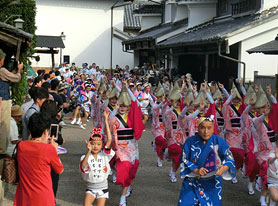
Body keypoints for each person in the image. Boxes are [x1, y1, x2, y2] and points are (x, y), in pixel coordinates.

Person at [178, 116, 236, 206]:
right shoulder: (190, 141)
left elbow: (229, 157)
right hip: (192, 181)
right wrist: (196, 170)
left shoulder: (219, 141)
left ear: (213, 128)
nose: (206, 131)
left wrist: (224, 168)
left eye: (209, 128)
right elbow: (183, 159)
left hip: (213, 183)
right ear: (198, 128)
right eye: (203, 127)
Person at [14, 112, 63, 206]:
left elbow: (32, 142)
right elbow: (59, 169)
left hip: (24, 195)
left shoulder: (21, 146)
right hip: (43, 196)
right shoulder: (49, 149)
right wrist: (54, 149)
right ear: (46, 132)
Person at [80, 111, 115, 206]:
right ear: (89, 144)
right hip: (90, 187)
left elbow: (109, 139)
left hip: (103, 187)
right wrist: (88, 151)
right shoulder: (84, 157)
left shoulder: (104, 155)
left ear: (102, 145)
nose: (95, 146)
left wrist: (106, 120)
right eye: (93, 144)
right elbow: (83, 166)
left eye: (98, 144)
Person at [0, 49, 23, 158]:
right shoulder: (1, 70)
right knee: (4, 127)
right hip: (3, 101)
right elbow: (16, 79)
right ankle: (2, 152)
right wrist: (18, 71)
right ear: (1, 60)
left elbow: (8, 77)